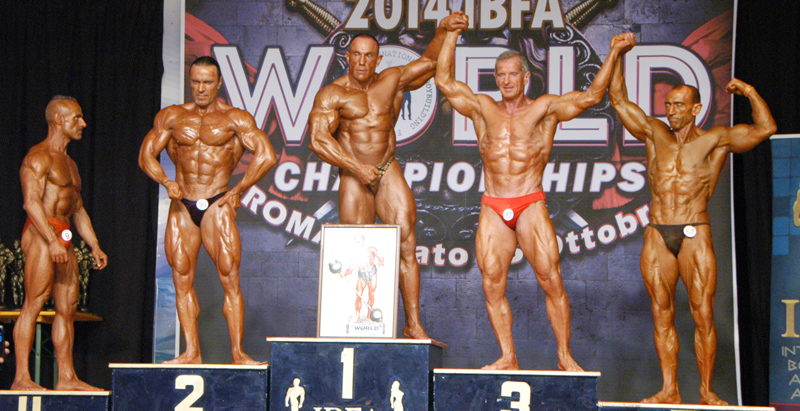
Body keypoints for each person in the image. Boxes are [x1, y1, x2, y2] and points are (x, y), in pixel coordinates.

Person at [435, 21, 635, 370]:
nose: (506, 80)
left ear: (525, 77)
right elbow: (444, 81)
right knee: (492, 283)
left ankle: (564, 356)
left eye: (512, 74)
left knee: (551, 279)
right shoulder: (483, 107)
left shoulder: (544, 109)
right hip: (494, 203)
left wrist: (615, 52)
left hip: (529, 200)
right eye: (500, 75)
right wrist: (451, 35)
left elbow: (592, 96)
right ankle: (508, 357)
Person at [608, 35, 776, 405]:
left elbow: (765, 129)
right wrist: (618, 53)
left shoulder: (715, 139)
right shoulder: (654, 133)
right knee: (661, 313)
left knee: (703, 314)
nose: (671, 111)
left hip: (694, 230)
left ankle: (706, 391)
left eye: (679, 105)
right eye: (668, 104)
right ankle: (669, 389)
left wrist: (749, 92)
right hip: (658, 231)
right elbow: (618, 99)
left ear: (696, 108)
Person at [308, 12, 468, 341]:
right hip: (354, 175)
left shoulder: (392, 79)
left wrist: (442, 30)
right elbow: (318, 140)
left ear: (378, 59)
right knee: (357, 251)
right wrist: (356, 168)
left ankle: (413, 325)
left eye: (369, 56)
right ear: (347, 56)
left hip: (385, 167)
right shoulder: (332, 94)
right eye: (356, 55)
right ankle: (357, 326)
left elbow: (429, 63)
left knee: (407, 240)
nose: (362, 61)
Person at [139, 56, 277, 365]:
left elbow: (266, 155)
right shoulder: (172, 117)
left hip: (217, 202)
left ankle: (238, 353)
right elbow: (145, 155)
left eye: (207, 82)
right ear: (190, 82)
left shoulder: (234, 118)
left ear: (218, 84)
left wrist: (238, 190)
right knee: (181, 277)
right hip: (182, 203)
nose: (201, 88)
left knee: (229, 277)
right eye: (196, 82)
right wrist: (165, 181)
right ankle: (192, 353)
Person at [13, 96, 109, 390]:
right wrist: (52, 240)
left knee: (68, 307)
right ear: (58, 119)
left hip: (63, 234)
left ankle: (67, 378)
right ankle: (21, 378)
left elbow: (77, 209)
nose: (83, 123)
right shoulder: (38, 156)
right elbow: (31, 203)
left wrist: (94, 245)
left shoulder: (70, 163)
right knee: (34, 302)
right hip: (42, 234)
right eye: (77, 118)